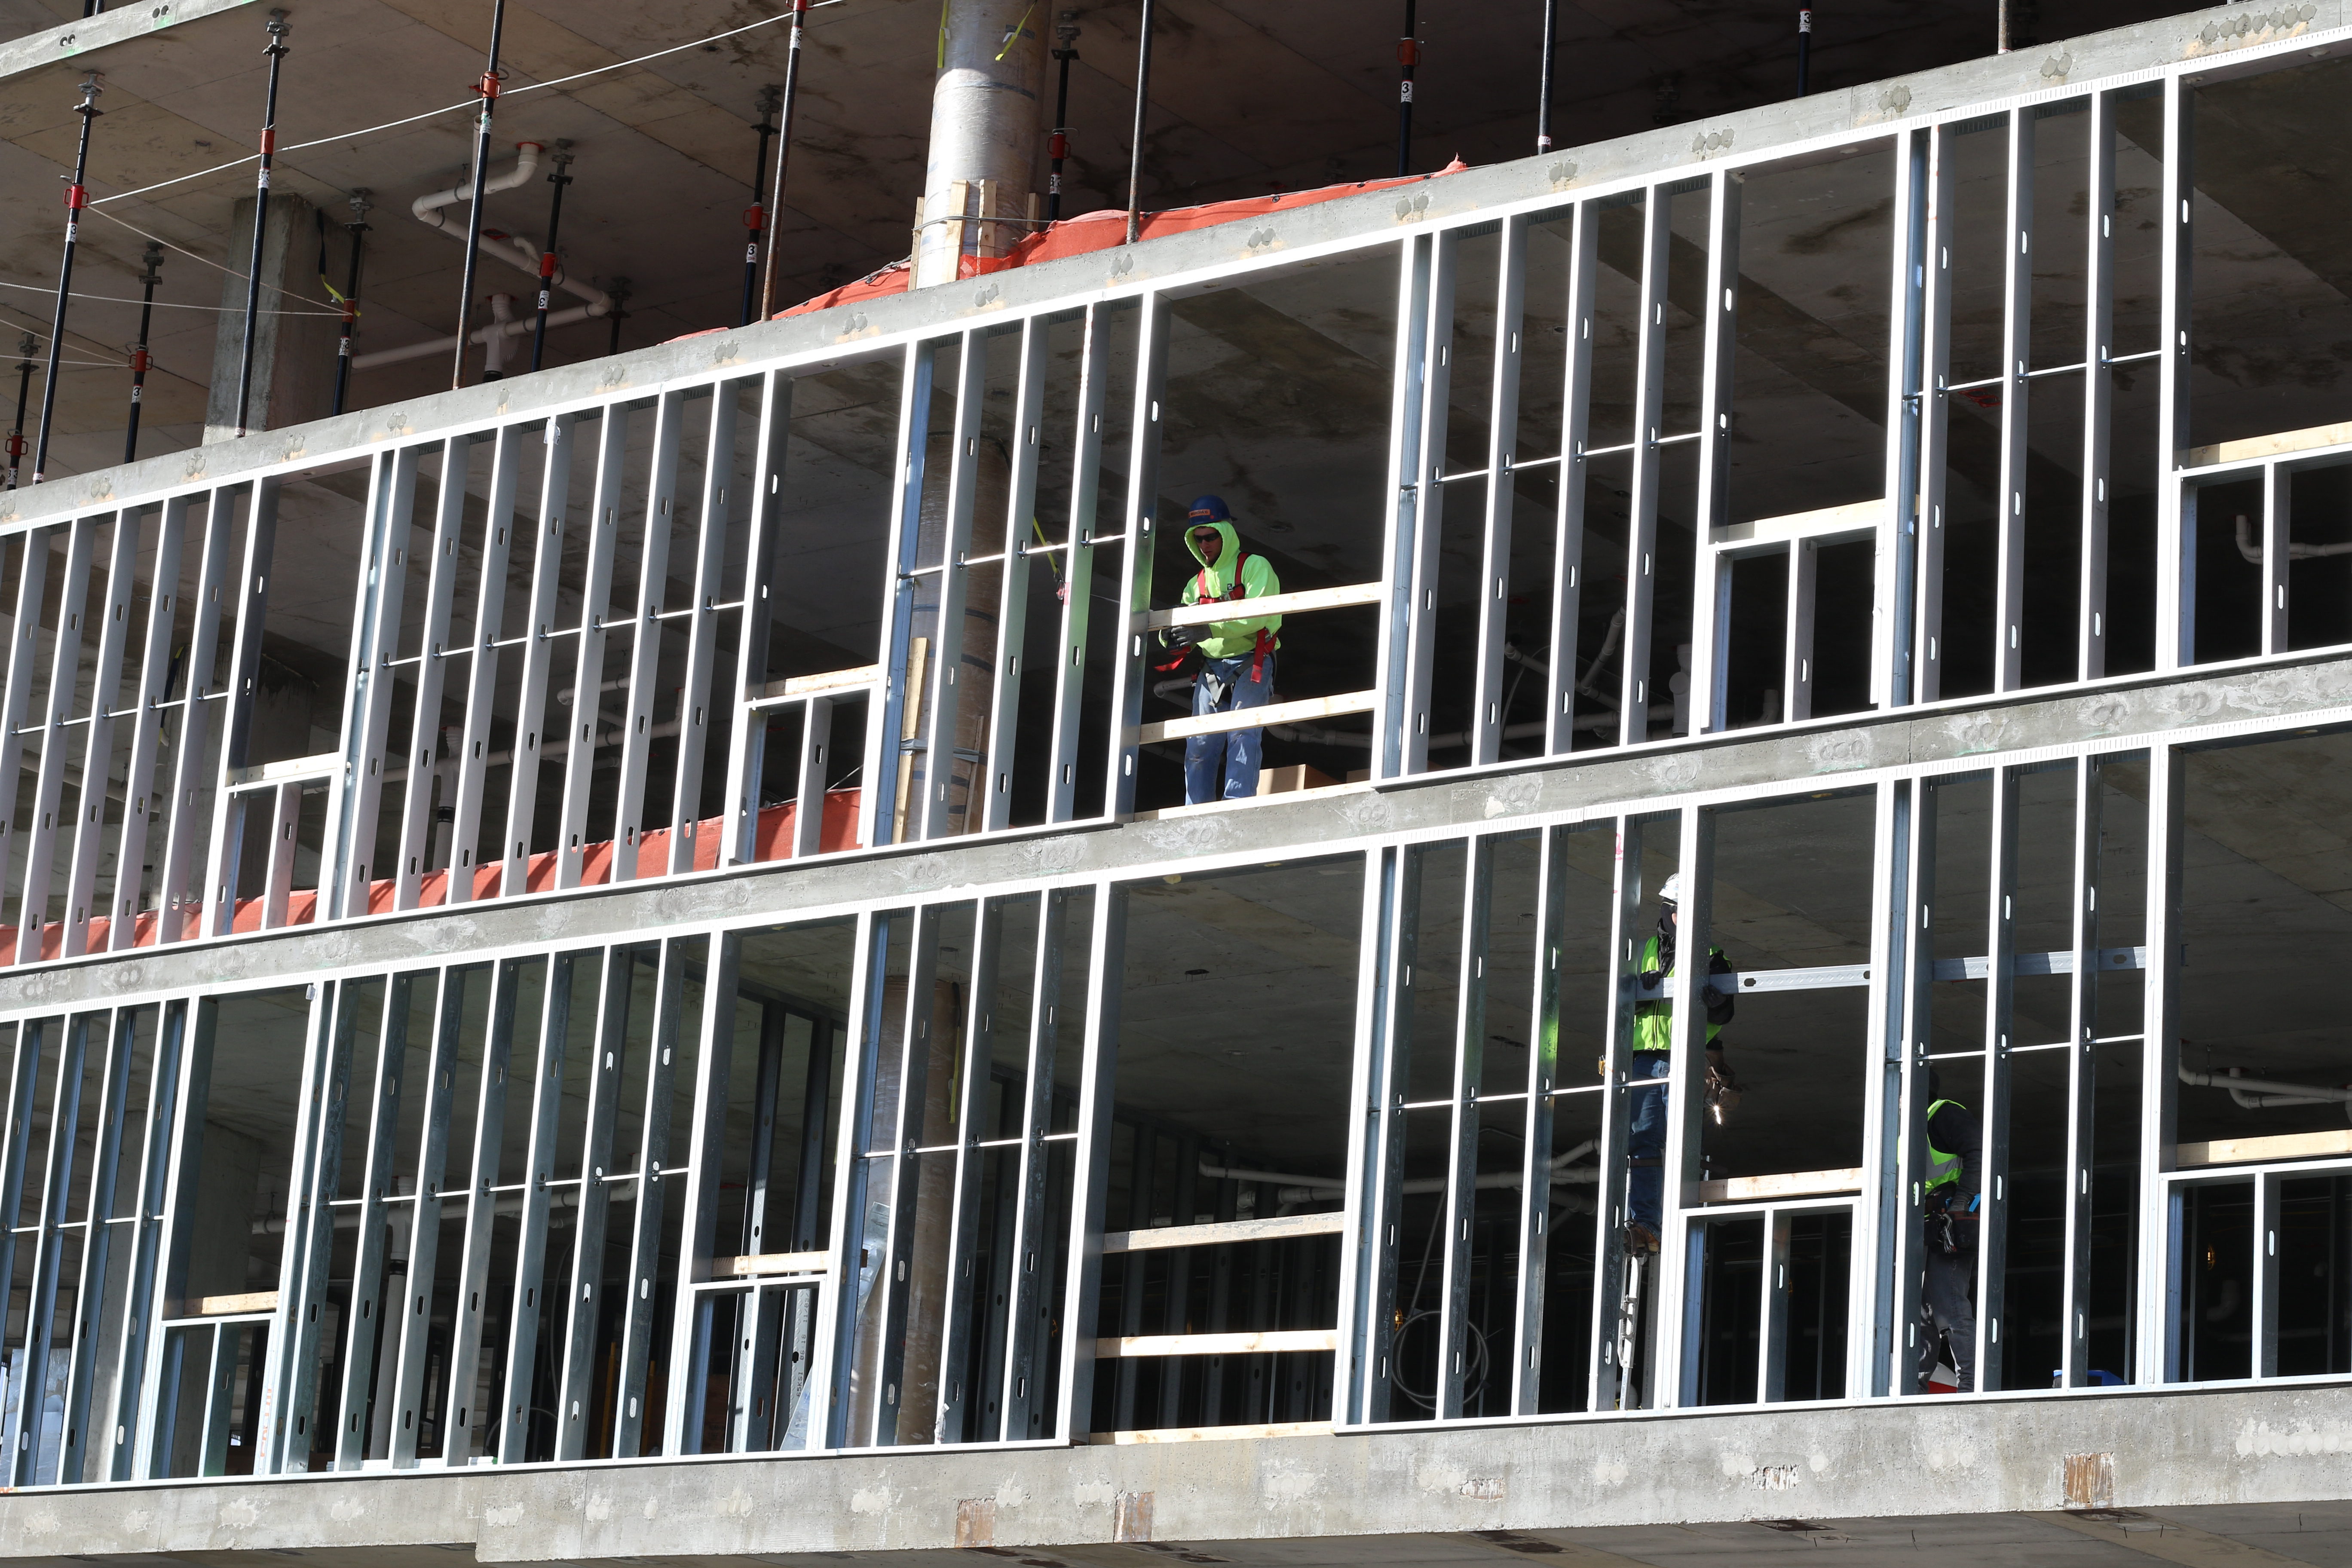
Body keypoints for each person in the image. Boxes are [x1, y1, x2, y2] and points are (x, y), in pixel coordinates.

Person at [1623, 873, 1736, 1254]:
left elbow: (1725, 1014)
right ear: (1668, 910)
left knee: (1683, 1142)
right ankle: (1646, 1226)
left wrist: (1716, 1000)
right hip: (1643, 1061)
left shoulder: (1713, 956)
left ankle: (1683, 1221)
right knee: (1642, 1142)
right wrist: (1638, 990)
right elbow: (1617, 1006)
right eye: (1678, 912)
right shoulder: (1639, 952)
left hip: (1684, 1059)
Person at [1158, 496, 1283, 804]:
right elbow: (1182, 626)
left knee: (1243, 734)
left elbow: (1257, 616)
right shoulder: (1196, 585)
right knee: (1199, 743)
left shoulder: (1254, 567)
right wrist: (1169, 636)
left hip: (1252, 661)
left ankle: (1236, 807)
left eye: (1210, 536)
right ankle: (1195, 813)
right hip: (1213, 667)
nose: (1204, 544)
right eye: (1198, 538)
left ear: (1225, 532)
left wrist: (1208, 629)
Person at [1917, 1069, 1984, 1393]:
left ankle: (1970, 1386)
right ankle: (1913, 1385)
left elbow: (1981, 1151)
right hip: (1922, 1225)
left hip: (1948, 1222)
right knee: (1919, 1313)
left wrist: (1962, 1201)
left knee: (1949, 1307)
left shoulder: (1943, 1113)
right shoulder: (1904, 1127)